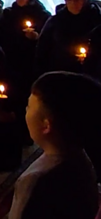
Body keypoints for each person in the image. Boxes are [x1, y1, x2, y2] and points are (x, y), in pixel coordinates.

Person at [9, 72, 101, 219]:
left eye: (29, 106)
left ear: (46, 125)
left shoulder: (35, 180)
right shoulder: (81, 157)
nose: (26, 110)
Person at [0, 0, 51, 143]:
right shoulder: (9, 13)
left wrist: (36, 38)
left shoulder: (41, 15)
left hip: (29, 62)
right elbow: (0, 35)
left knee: (27, 98)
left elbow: (47, 40)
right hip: (10, 60)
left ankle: (27, 132)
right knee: (9, 95)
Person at [36, 0, 101, 75]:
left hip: (90, 75)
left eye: (77, 0)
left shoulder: (97, 20)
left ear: (85, 0)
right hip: (59, 72)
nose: (73, 3)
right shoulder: (56, 20)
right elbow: (42, 49)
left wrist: (89, 58)